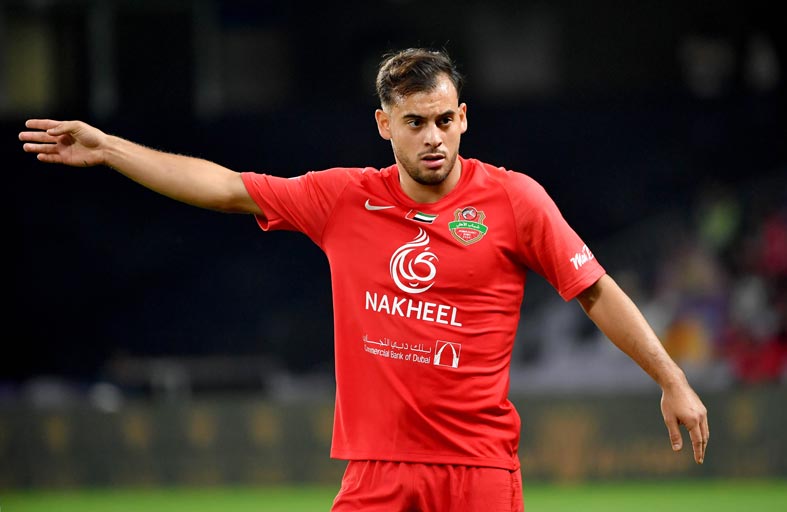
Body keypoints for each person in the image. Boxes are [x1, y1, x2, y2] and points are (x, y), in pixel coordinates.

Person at [19, 48, 708, 511]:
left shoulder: (516, 201)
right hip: (377, 468)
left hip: (479, 469)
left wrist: (671, 379)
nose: (433, 136)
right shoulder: (343, 199)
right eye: (415, 122)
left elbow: (594, 291)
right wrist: (110, 148)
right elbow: (226, 187)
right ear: (384, 125)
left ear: (464, 118)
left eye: (445, 120)